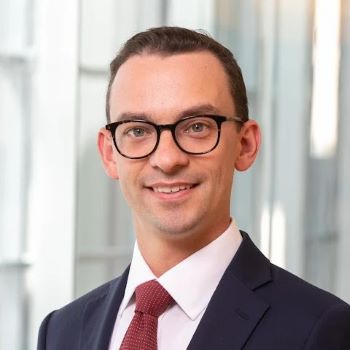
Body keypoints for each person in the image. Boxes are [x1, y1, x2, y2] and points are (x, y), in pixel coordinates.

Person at [37, 26, 350, 350]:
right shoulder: (62, 331)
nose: (168, 159)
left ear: (245, 145)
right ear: (109, 153)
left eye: (196, 127)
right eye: (138, 130)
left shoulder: (319, 330)